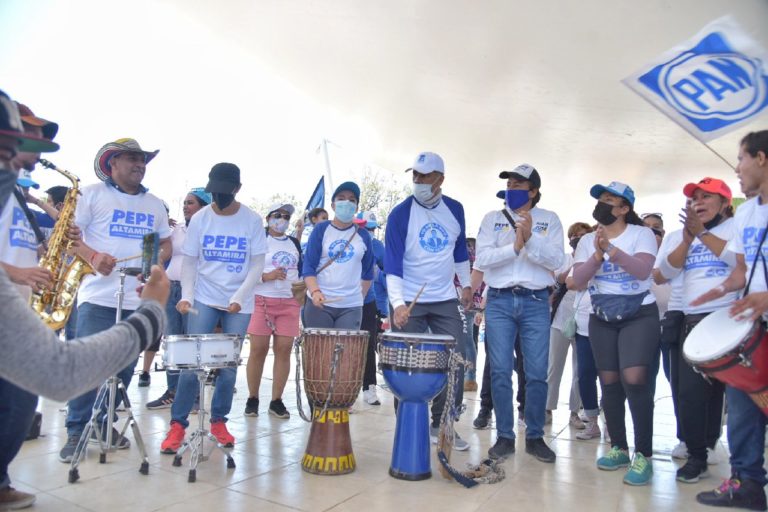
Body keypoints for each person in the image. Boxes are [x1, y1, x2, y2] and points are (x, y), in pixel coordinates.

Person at [59, 138, 173, 463]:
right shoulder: (91, 195)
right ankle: (76, 430)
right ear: (113, 164)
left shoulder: (154, 203)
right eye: (132, 159)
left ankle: (103, 423)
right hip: (97, 297)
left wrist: (156, 263)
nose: (140, 164)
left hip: (137, 299)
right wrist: (92, 255)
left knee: (123, 369)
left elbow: (165, 244)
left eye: (143, 159)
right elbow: (68, 239)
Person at [160, 163, 267, 454]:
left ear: (237, 190)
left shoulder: (252, 220)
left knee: (227, 366)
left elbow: (257, 264)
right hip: (204, 297)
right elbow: (191, 261)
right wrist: (189, 296)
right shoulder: (201, 219)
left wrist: (240, 296)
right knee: (190, 362)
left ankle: (219, 420)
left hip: (239, 303)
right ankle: (178, 424)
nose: (218, 196)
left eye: (224, 191)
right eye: (214, 191)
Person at [691, 130, 768, 510]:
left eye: (741, 159)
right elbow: (741, 271)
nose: (737, 168)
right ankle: (747, 484)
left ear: (762, 159)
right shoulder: (750, 211)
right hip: (755, 327)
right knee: (743, 408)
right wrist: (718, 291)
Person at [475, 163, 564, 463]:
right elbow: (484, 258)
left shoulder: (549, 220)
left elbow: (556, 260)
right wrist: (513, 247)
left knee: (537, 372)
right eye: (509, 184)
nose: (512, 189)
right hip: (499, 300)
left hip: (536, 301)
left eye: (518, 185)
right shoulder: (492, 219)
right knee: (499, 370)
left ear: (534, 191)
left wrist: (530, 238)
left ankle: (536, 436)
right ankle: (504, 436)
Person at [571, 181, 659, 486]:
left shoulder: (642, 234)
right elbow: (576, 282)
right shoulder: (585, 241)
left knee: (634, 379)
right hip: (602, 317)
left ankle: (644, 454)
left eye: (610, 200)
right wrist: (596, 255)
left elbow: (642, 270)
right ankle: (619, 448)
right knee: (608, 382)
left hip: (639, 314)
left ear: (624, 209)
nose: (603, 204)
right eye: (601, 199)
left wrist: (610, 249)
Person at [384, 152, 472, 451]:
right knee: (406, 363)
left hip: (445, 298)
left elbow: (460, 252)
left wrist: (468, 284)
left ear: (440, 179)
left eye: (425, 176)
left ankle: (444, 423)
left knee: (456, 360)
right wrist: (397, 304)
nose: (418, 181)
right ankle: (407, 422)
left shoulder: (456, 210)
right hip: (409, 299)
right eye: (415, 176)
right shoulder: (400, 214)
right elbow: (392, 263)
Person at [657, 178, 734, 483]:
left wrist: (702, 233)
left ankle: (719, 446)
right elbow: (664, 273)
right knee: (689, 392)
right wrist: (689, 239)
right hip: (691, 320)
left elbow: (736, 260)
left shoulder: (736, 229)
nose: (697, 202)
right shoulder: (678, 235)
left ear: (725, 203)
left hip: (729, 320)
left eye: (706, 197)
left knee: (724, 393)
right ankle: (696, 456)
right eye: (693, 198)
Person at [145, 187, 210, 409]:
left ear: (203, 206)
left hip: (196, 289)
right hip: (172, 289)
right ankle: (172, 391)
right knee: (172, 340)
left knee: (193, 340)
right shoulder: (178, 229)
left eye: (190, 203)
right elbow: (164, 250)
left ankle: (193, 395)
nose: (185, 206)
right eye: (184, 202)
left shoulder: (209, 228)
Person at [244, 202, 302, 418]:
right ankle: (252, 397)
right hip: (262, 300)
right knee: (258, 349)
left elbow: (301, 269)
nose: (282, 219)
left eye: (286, 216)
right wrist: (265, 277)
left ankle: (276, 400)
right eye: (277, 215)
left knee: (284, 349)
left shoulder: (294, 242)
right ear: (268, 218)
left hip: (288, 301)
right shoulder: (258, 239)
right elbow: (245, 270)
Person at [302, 181, 373, 329]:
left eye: (352, 199)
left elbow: (368, 271)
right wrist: (315, 292)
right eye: (341, 198)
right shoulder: (321, 229)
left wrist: (360, 297)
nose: (346, 202)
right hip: (320, 303)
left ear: (356, 207)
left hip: (351, 306)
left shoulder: (363, 235)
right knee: (319, 351)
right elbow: (309, 266)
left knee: (347, 351)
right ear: (333, 205)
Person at [545, 222, 589, 430]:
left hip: (584, 321)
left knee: (580, 370)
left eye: (583, 235)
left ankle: (575, 412)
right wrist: (576, 264)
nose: (578, 239)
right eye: (575, 236)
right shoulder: (564, 258)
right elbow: (559, 279)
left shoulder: (595, 260)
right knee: (554, 367)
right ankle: (547, 408)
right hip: (560, 320)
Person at [354, 210, 385, 405]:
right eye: (366, 227)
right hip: (343, 302)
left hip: (367, 302)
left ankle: (369, 387)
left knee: (368, 345)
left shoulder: (377, 245)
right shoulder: (347, 241)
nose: (370, 231)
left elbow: (389, 269)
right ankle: (343, 387)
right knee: (345, 346)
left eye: (373, 228)